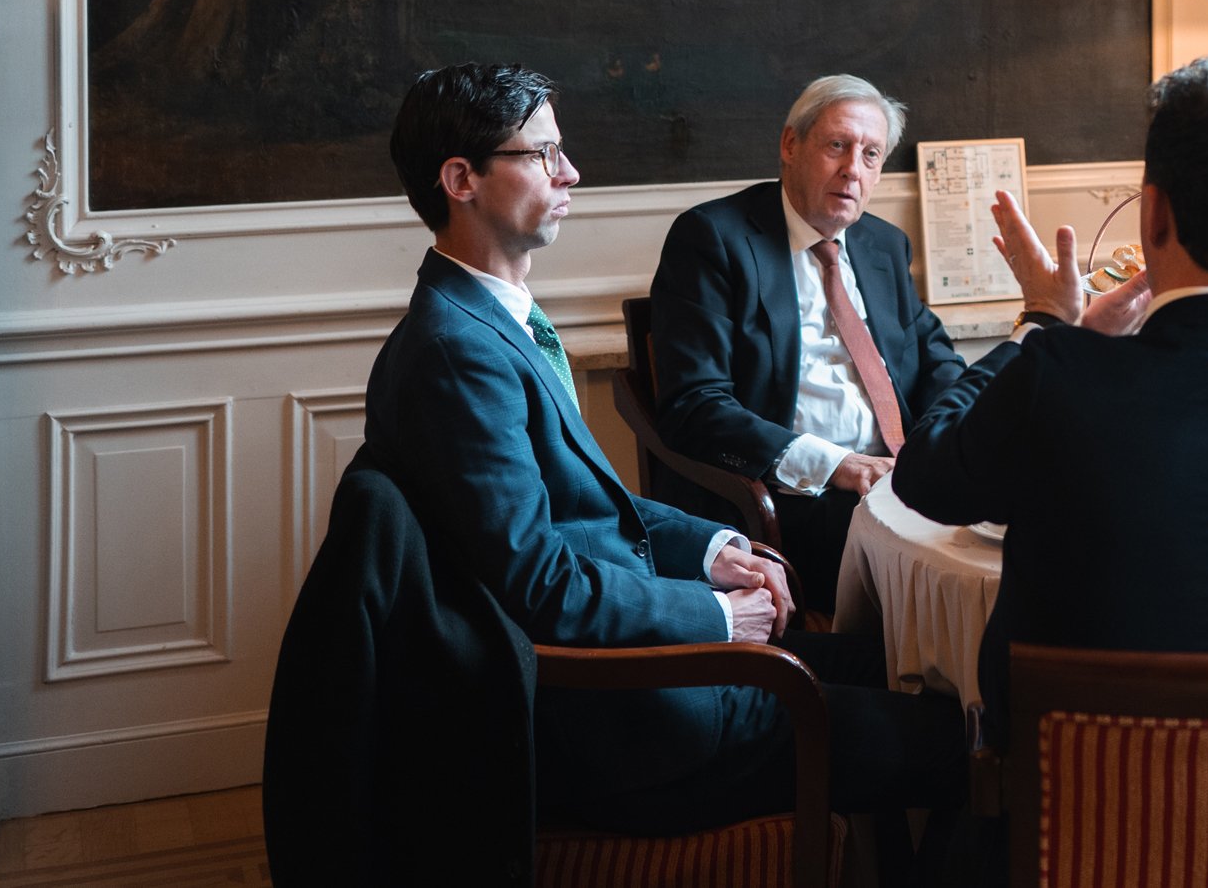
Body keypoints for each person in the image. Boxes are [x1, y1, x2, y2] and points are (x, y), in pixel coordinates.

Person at [364, 64, 962, 840]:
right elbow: (539, 588)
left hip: (647, 657)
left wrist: (716, 547)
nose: (570, 170)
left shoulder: (492, 323)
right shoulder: (456, 352)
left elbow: (591, 504)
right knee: (958, 736)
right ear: (461, 179)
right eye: (543, 154)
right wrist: (715, 614)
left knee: (918, 674)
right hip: (628, 718)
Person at [891, 57, 1208, 733]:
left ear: (1152, 211)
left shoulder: (1062, 382)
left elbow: (923, 474)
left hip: (1063, 818)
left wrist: (1041, 325)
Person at [648, 75, 966, 612]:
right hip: (795, 496)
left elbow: (939, 364)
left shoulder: (883, 245)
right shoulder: (714, 239)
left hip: (897, 479)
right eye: (837, 146)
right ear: (790, 145)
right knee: (950, 566)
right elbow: (694, 405)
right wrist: (839, 465)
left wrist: (939, 447)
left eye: (871, 155)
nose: (853, 170)